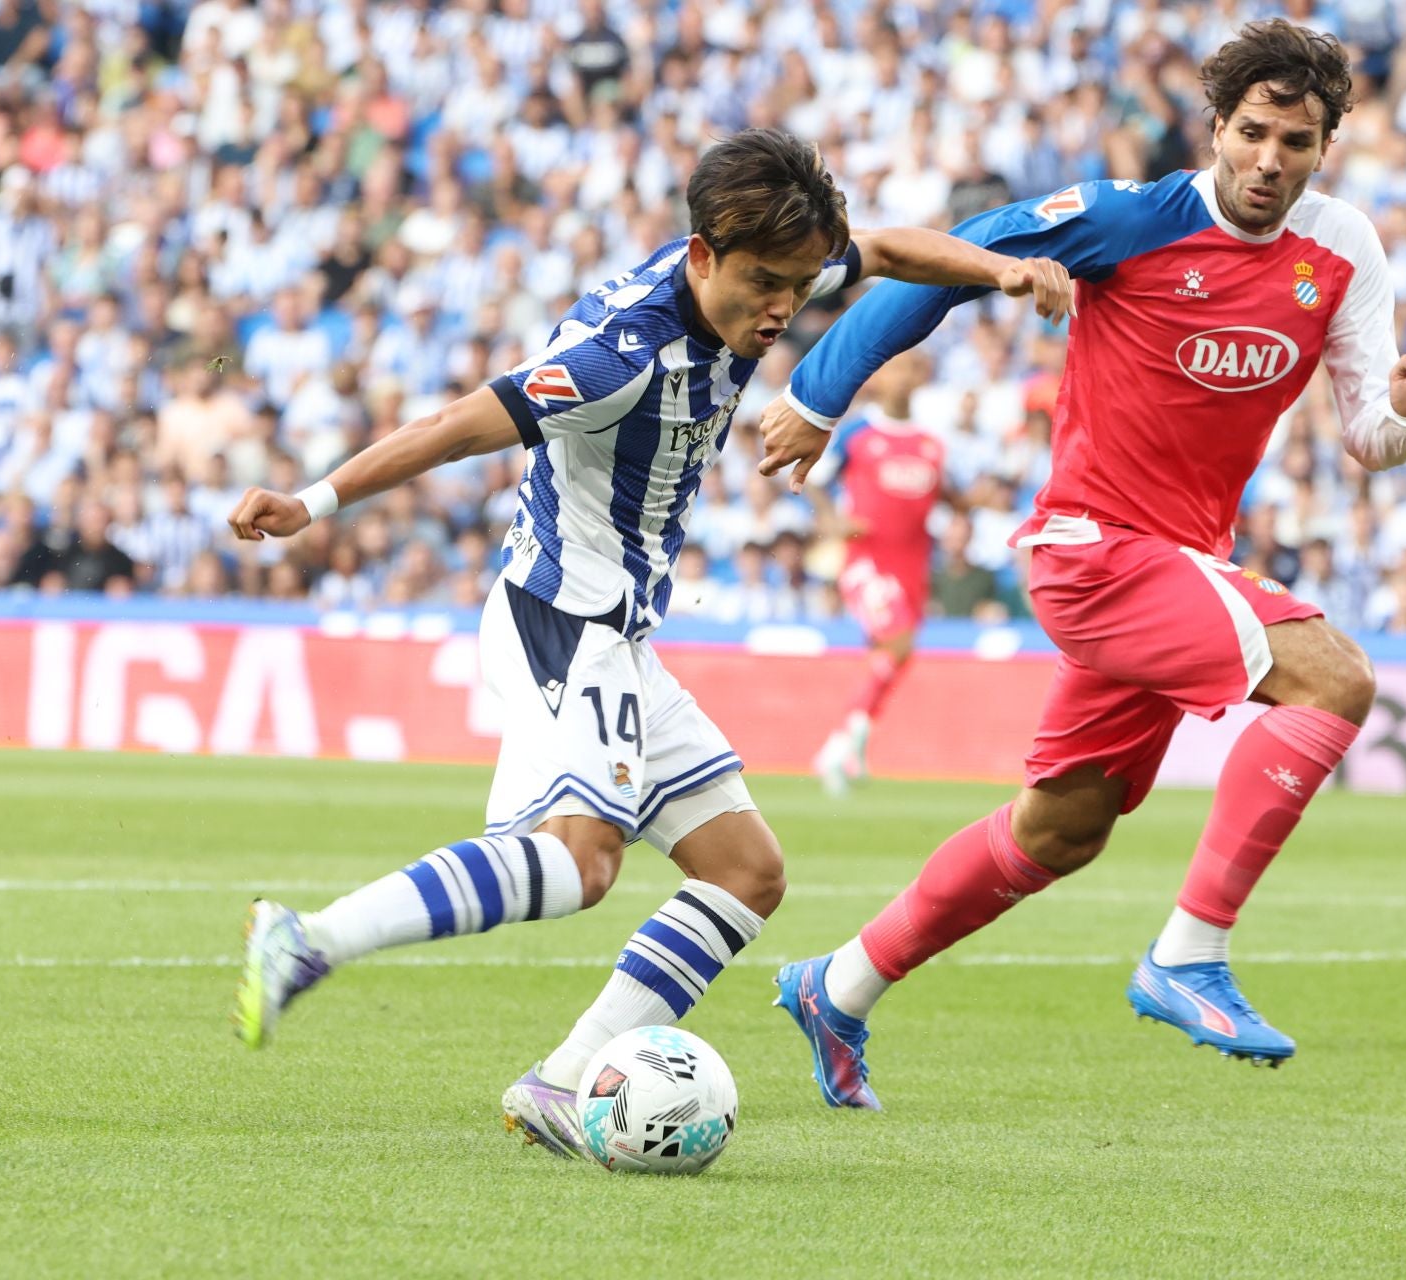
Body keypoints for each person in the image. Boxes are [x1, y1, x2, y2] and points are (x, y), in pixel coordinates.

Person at [225, 128, 1072, 1155]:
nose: (781, 308)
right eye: (764, 284)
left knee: (746, 871)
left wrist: (998, 270)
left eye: (797, 285)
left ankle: (562, 1081)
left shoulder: (765, 264)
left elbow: (889, 250)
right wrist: (312, 502)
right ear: (703, 255)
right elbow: (452, 426)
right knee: (581, 862)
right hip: (558, 618)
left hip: (619, 634)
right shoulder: (615, 359)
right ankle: (307, 939)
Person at [757, 21, 1406, 1107]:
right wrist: (817, 393)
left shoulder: (1343, 250)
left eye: (1297, 142)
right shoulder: (1128, 219)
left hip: (1178, 567)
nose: (1270, 160)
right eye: (1253, 133)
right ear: (1215, 127)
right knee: (1337, 677)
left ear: (1327, 146)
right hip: (1092, 551)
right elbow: (951, 255)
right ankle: (1190, 952)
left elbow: (1369, 435)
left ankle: (838, 984)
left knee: (1062, 830)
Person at [813, 350, 946, 795]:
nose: (904, 378)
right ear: (879, 377)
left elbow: (942, 494)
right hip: (867, 562)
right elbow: (816, 479)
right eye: (895, 368)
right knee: (899, 642)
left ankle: (847, 743)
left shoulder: (932, 443)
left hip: (913, 566)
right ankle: (843, 744)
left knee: (895, 655)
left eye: (912, 369)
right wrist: (832, 520)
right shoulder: (858, 433)